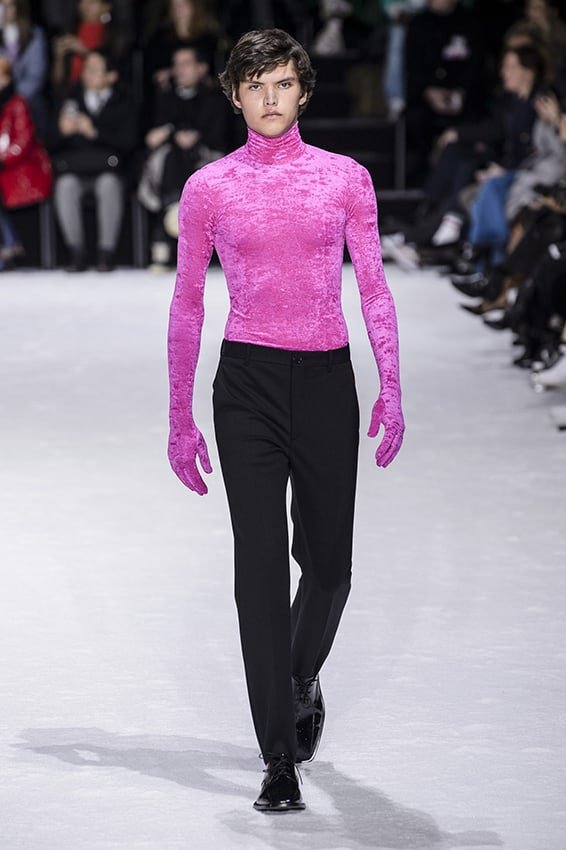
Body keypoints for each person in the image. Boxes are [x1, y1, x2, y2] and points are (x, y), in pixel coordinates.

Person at [167, 28, 404, 813]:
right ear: (234, 95)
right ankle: (278, 756)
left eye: (282, 83)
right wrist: (179, 415)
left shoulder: (344, 179)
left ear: (302, 91)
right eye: (255, 84)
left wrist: (391, 384)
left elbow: (373, 286)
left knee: (330, 568)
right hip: (248, 385)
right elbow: (188, 302)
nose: (270, 98)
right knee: (261, 570)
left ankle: (299, 676)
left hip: (328, 380)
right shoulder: (209, 188)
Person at [138, 44, 232, 272]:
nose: (179, 69)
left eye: (186, 64)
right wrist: (173, 133)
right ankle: (172, 211)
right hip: (171, 160)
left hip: (206, 156)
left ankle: (173, 223)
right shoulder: (165, 96)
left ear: (201, 68)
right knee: (168, 158)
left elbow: (222, 137)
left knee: (198, 164)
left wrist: (195, 138)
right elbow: (150, 136)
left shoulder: (215, 98)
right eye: (176, 64)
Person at [50, 48, 137, 271]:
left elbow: (129, 142)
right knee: (65, 185)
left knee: (108, 185)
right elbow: (48, 142)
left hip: (110, 171)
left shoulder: (124, 101)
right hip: (75, 170)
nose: (87, 74)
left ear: (111, 76)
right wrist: (62, 132)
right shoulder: (69, 99)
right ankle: (76, 252)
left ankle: (106, 253)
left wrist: (94, 131)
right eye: (86, 68)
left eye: (95, 69)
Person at [0, 55, 51, 268]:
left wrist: (2, 159)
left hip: (19, 167)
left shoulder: (17, 103)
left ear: (6, 78)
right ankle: (10, 242)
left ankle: (9, 243)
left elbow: (23, 140)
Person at [0, 0, 48, 135]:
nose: (5, 10)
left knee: (35, 106)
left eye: (9, 5)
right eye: (1, 5)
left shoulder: (35, 34)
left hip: (26, 99)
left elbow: (36, 76)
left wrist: (13, 98)